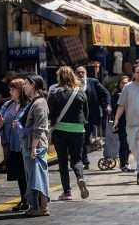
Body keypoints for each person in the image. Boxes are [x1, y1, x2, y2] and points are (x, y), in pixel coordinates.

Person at [48, 67, 90, 201]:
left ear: (59, 77)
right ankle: (80, 178)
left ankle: (67, 192)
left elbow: (50, 113)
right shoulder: (80, 92)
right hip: (78, 130)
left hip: (60, 130)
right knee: (77, 159)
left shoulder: (55, 92)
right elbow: (86, 112)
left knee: (62, 161)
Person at [0, 78, 31, 211]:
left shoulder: (28, 105)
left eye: (12, 89)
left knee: (28, 173)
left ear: (20, 90)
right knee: (20, 175)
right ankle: (24, 199)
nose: (10, 91)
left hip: (26, 144)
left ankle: (32, 199)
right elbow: (1, 124)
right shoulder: (7, 105)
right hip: (12, 144)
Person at [20, 74, 50, 217]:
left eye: (26, 83)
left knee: (37, 177)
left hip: (36, 146)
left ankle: (41, 207)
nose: (24, 86)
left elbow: (39, 127)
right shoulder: (33, 102)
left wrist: (33, 148)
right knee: (33, 176)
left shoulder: (40, 103)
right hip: (30, 144)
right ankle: (35, 206)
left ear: (33, 85)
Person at [115, 64, 139, 184]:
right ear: (133, 74)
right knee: (133, 148)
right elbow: (121, 105)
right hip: (130, 124)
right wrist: (116, 119)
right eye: (138, 72)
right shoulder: (127, 88)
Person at [75, 66, 111, 170]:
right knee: (81, 138)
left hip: (91, 116)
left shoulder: (93, 82)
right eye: (78, 72)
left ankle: (83, 157)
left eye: (82, 72)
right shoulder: (73, 85)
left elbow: (105, 94)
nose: (80, 74)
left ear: (86, 73)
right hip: (78, 117)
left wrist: (107, 105)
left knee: (85, 138)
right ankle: (84, 160)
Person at [112, 75, 131, 172]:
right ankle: (123, 164)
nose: (125, 84)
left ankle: (126, 162)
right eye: (123, 83)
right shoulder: (117, 95)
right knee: (124, 144)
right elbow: (115, 110)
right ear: (119, 84)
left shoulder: (131, 93)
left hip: (131, 123)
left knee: (129, 145)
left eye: (127, 82)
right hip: (122, 123)